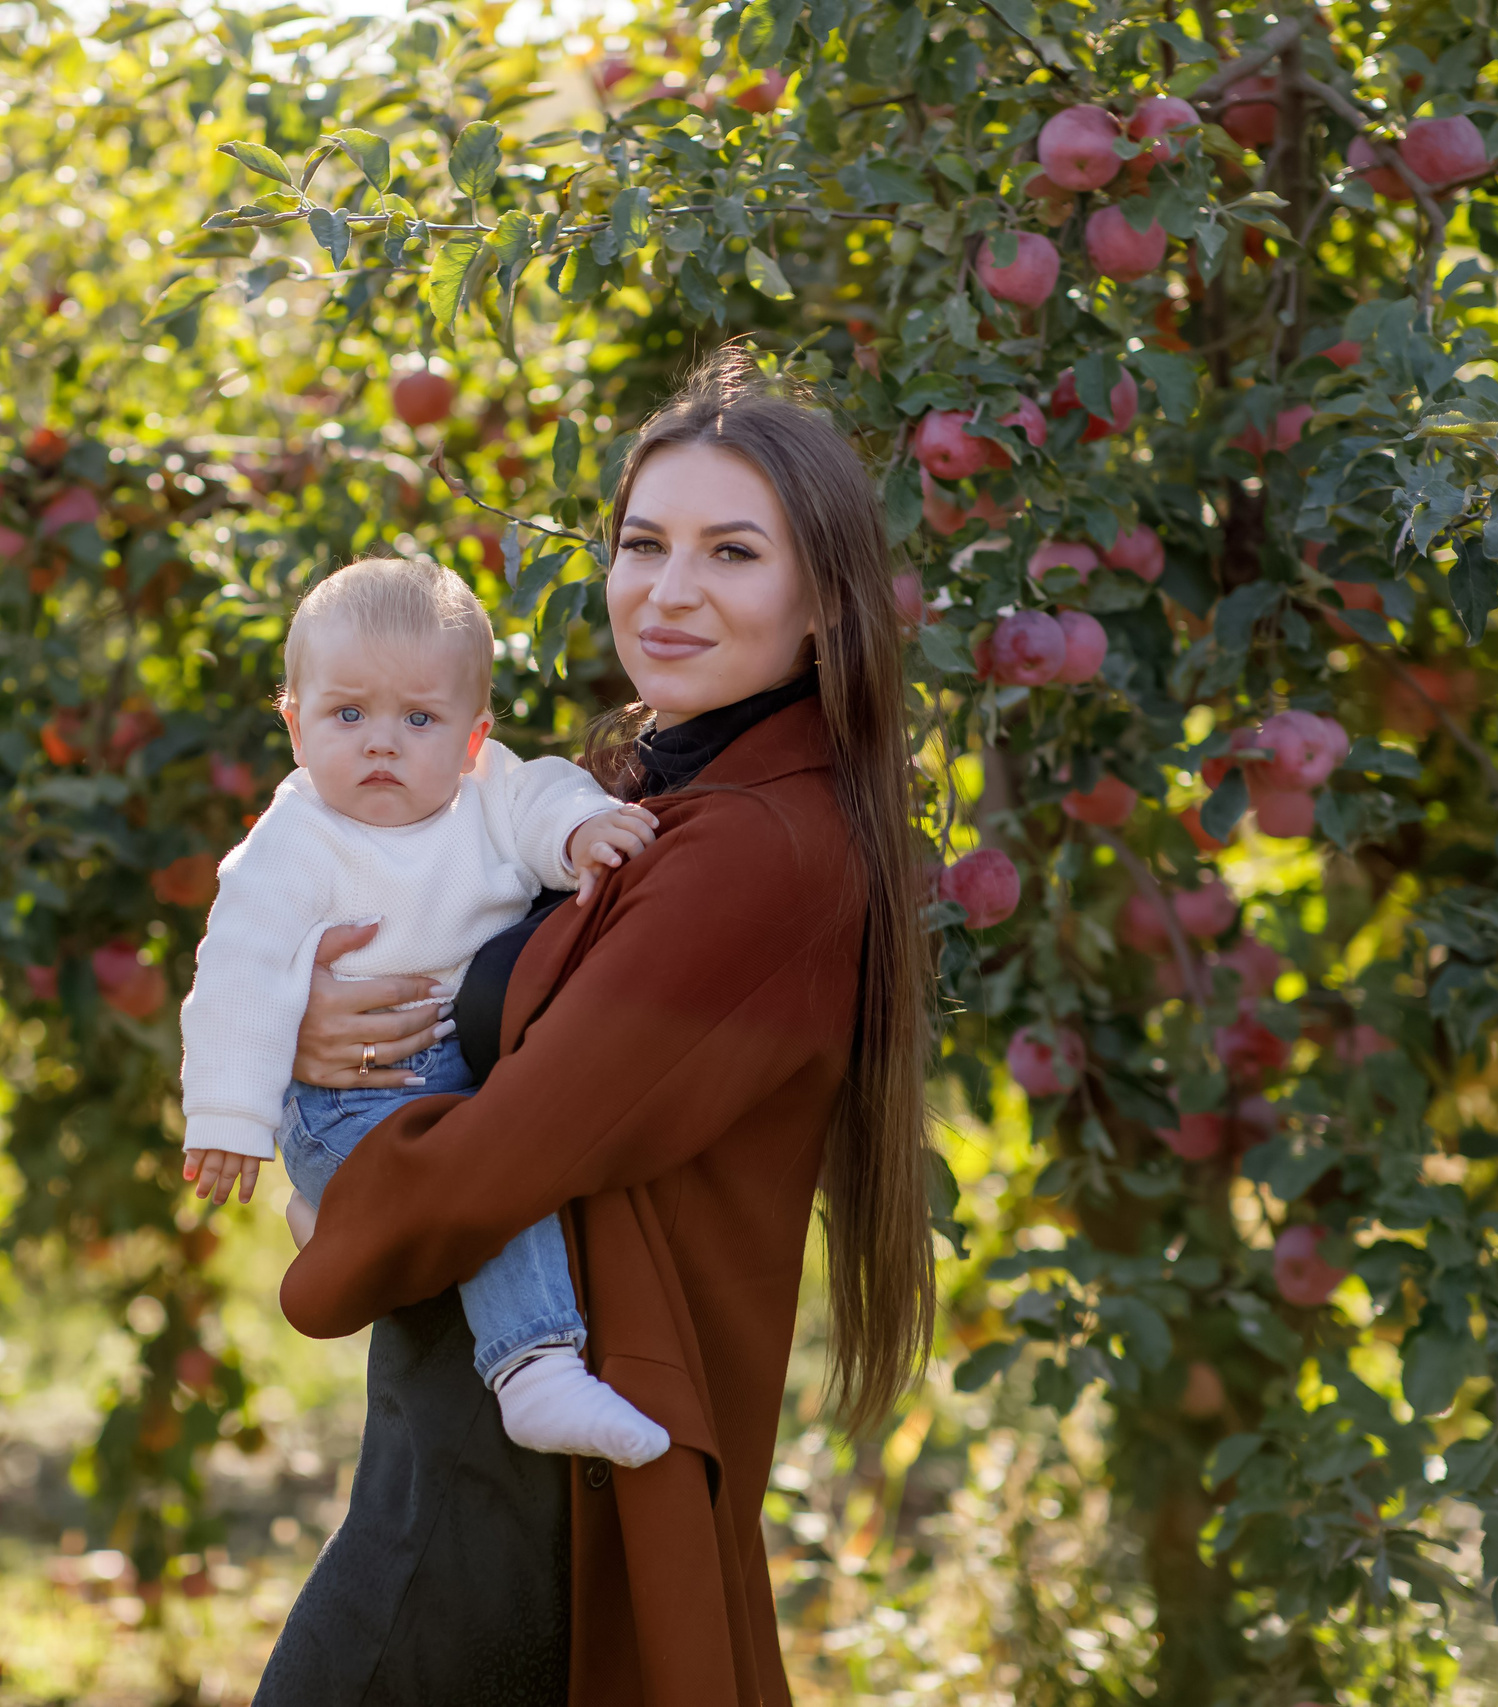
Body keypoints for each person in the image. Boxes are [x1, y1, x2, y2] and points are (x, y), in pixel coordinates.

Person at [250, 349, 935, 1707]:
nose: (670, 591)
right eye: (644, 542)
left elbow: (522, 1143)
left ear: (823, 604)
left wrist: (331, 1231)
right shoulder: (653, 797)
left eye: (733, 552)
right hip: (485, 1418)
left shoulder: (761, 849)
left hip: (546, 1472)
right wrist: (312, 1030)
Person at [178, 555, 671, 1467]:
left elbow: (546, 795)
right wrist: (227, 1114)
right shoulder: (295, 841)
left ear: (473, 738)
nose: (380, 743)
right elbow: (236, 974)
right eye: (347, 714)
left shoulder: (486, 793)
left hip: (454, 1085)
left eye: (418, 718)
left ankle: (349, 1231)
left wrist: (578, 832)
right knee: (479, 1174)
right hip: (348, 1105)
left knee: (489, 1154)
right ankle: (535, 1370)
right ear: (295, 724)